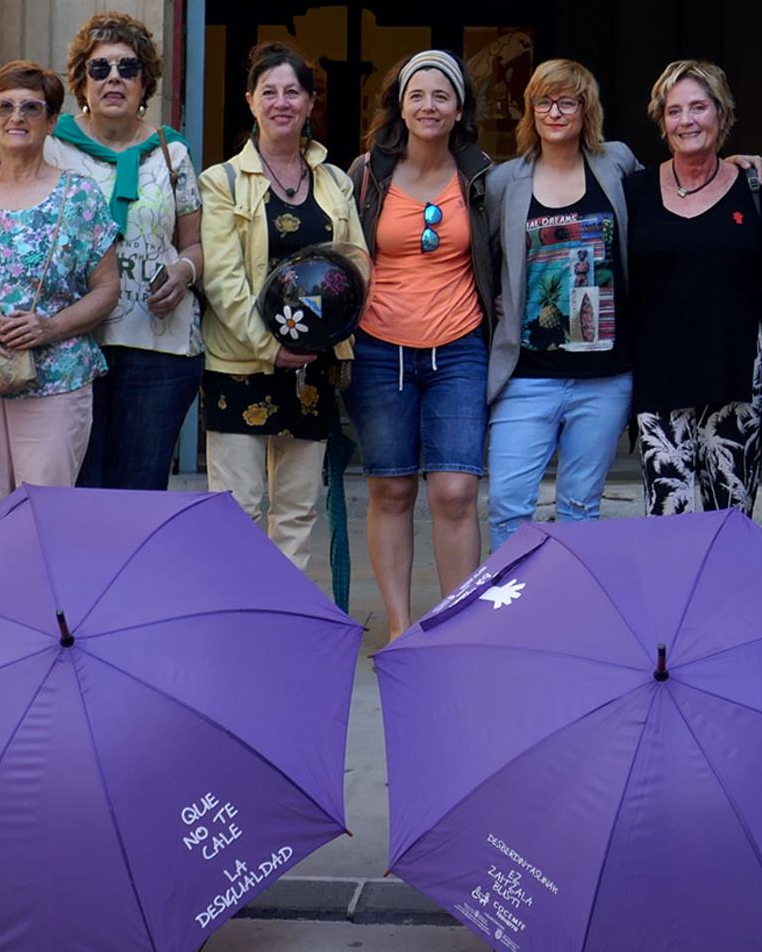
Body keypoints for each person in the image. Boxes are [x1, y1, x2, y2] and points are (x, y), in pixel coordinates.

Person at [0, 61, 119, 524]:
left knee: (44, 516)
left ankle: (42, 600)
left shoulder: (80, 196)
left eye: (32, 107)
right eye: (5, 107)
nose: (18, 117)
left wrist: (49, 327)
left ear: (52, 121)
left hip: (55, 376)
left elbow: (107, 289)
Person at [200, 42, 365, 570]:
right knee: (238, 509)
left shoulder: (336, 181)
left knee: (296, 510)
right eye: (268, 92)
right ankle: (238, 626)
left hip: (312, 368)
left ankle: (283, 627)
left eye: (292, 91)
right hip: (241, 363)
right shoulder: (221, 181)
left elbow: (356, 267)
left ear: (310, 102)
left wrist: (331, 342)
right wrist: (270, 345)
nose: (281, 102)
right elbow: (223, 279)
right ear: (250, 102)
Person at [348, 51, 495, 638]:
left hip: (459, 347)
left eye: (441, 96)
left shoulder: (483, 175)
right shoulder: (367, 172)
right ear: (400, 105)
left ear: (459, 108)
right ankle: (403, 629)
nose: (429, 106)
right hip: (380, 349)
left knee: (456, 490)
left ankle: (456, 628)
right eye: (417, 95)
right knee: (390, 487)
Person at [484, 60, 639, 553]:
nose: (555, 111)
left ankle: (572, 616)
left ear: (585, 109)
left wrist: (735, 163)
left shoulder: (616, 164)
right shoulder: (504, 181)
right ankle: (514, 613)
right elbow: (485, 263)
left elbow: (670, 198)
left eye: (567, 101)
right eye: (544, 101)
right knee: (509, 503)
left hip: (605, 377)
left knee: (580, 507)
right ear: (531, 108)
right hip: (527, 373)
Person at [45, 14, 203, 491]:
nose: (113, 78)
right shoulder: (51, 149)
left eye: (127, 68)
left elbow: (194, 242)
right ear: (81, 83)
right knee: (78, 491)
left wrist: (185, 270)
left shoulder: (172, 153)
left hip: (159, 348)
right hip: (71, 347)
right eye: (99, 69)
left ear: (144, 83)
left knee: (139, 492)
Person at [626, 59, 762, 516]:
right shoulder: (634, 191)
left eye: (698, 107)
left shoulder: (755, 189)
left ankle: (728, 592)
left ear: (722, 115)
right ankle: (674, 593)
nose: (686, 120)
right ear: (662, 120)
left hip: (733, 371)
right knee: (669, 515)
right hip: (659, 374)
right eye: (674, 110)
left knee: (731, 515)